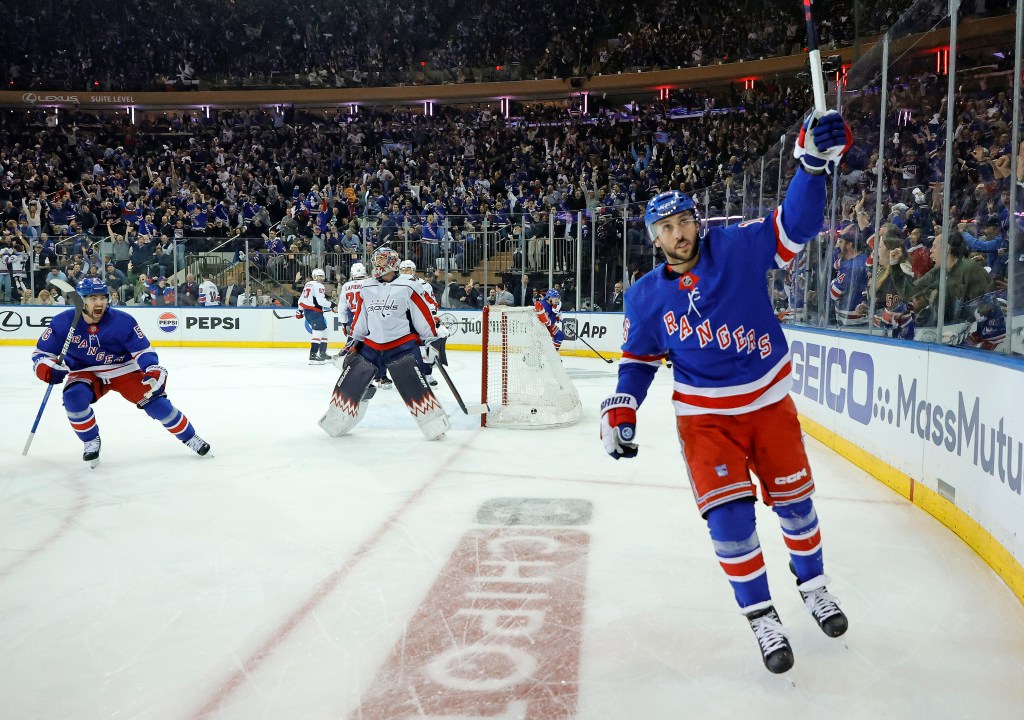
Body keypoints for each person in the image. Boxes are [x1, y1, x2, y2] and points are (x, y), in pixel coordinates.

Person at [600, 109, 852, 674]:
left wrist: (812, 166)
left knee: (796, 503)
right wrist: (622, 402)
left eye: (683, 220)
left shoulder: (736, 247)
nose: (677, 233)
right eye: (665, 228)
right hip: (705, 420)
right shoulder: (644, 298)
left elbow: (795, 226)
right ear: (653, 237)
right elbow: (638, 360)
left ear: (697, 221)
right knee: (730, 521)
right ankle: (762, 616)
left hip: (768, 405)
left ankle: (813, 586)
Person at [31, 277, 211, 467]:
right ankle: (90, 440)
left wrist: (151, 368)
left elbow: (143, 351)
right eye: (92, 298)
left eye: (103, 297)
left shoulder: (122, 321)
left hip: (123, 369)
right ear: (80, 300)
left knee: (156, 403)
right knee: (73, 399)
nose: (99, 302)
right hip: (84, 370)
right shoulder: (62, 322)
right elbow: (41, 353)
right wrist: (46, 368)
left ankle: (191, 437)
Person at [318, 247, 450, 441]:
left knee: (413, 385)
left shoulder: (408, 285)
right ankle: (336, 421)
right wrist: (354, 340)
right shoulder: (368, 286)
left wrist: (431, 339)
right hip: (371, 345)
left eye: (381, 260)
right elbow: (362, 317)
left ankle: (434, 425)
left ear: (392, 263)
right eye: (376, 260)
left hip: (401, 345)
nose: (377, 265)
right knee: (351, 381)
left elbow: (422, 315)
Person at [399, 259, 445, 386]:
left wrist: (433, 316)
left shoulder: (424, 285)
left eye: (407, 269)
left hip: (419, 321)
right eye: (402, 269)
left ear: (413, 271)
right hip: (402, 322)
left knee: (427, 347)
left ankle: (428, 374)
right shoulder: (395, 285)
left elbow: (431, 303)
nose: (404, 272)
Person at [296, 268, 336, 364]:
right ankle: (313, 355)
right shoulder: (319, 286)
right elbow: (320, 301)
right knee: (318, 332)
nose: (321, 278)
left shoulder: (308, 284)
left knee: (325, 331)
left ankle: (322, 353)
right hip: (314, 311)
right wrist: (333, 305)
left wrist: (299, 311)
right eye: (319, 276)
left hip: (309, 311)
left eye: (322, 276)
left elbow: (301, 299)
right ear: (314, 276)